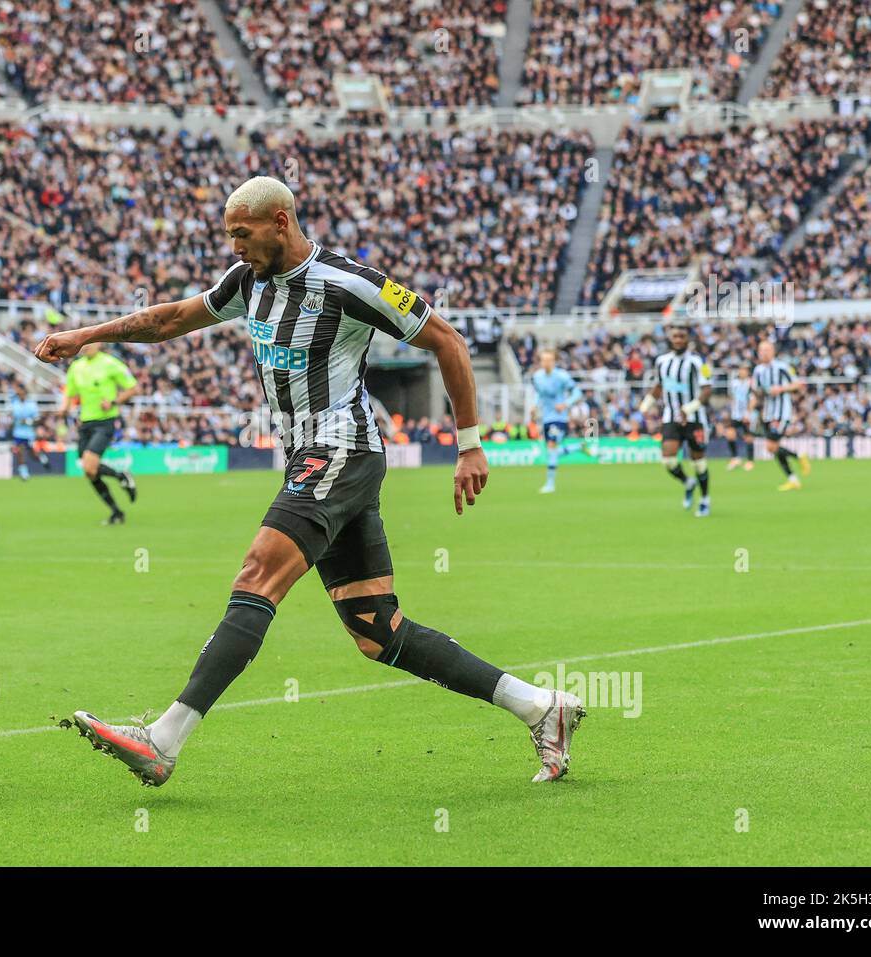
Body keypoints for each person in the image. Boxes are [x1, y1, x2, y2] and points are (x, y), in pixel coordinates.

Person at [33, 175, 585, 788]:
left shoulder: (349, 284)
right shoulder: (247, 283)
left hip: (340, 451)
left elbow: (447, 341)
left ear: (281, 222)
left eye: (243, 234)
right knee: (378, 632)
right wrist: (88, 335)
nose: (235, 246)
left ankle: (163, 739)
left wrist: (471, 444)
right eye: (228, 236)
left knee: (257, 573)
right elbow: (171, 320)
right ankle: (541, 707)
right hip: (309, 457)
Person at [61, 341, 138, 524]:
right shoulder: (76, 366)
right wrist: (64, 408)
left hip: (105, 422)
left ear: (99, 343)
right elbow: (69, 393)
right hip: (85, 423)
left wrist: (113, 402)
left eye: (90, 343)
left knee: (89, 465)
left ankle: (122, 476)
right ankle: (116, 511)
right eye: (83, 343)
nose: (85, 346)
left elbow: (133, 388)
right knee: (89, 472)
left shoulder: (110, 363)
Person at [639, 324, 713, 517]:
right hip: (671, 417)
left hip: (694, 419)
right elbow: (659, 386)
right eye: (675, 337)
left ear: (688, 339)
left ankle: (705, 499)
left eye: (682, 336)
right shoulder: (662, 361)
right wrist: (647, 403)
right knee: (669, 460)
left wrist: (690, 408)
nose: (678, 340)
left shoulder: (699, 362)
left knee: (698, 463)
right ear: (670, 339)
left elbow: (707, 389)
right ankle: (688, 483)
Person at [529, 348, 593, 493]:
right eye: (543, 360)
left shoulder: (562, 376)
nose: (546, 363)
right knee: (552, 451)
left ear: (554, 361)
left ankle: (550, 485)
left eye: (549, 360)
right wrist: (534, 406)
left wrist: (566, 404)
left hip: (559, 418)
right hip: (546, 418)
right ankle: (578, 447)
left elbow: (577, 392)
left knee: (551, 447)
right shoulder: (537, 377)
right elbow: (539, 394)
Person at [751, 340, 811, 491]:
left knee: (771, 446)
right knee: (773, 448)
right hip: (767, 413)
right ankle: (794, 476)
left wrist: (781, 388)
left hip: (781, 413)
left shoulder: (782, 367)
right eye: (761, 350)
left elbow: (798, 384)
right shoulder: (758, 370)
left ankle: (797, 463)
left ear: (773, 352)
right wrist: (752, 403)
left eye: (766, 350)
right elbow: (756, 391)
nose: (763, 353)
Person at [8, 380, 49, 481]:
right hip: (18, 433)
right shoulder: (14, 404)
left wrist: (27, 421)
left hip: (28, 433)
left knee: (32, 454)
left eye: (21, 392)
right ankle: (24, 472)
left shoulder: (31, 405)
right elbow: (12, 417)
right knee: (20, 451)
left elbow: (37, 420)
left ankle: (41, 457)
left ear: (25, 393)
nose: (20, 395)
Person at [723, 365, 755, 471]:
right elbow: (732, 397)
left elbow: (753, 399)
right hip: (735, 414)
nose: (742, 372)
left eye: (744, 370)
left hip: (746, 415)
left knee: (748, 437)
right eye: (741, 370)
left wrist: (748, 413)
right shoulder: (734, 383)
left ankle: (750, 461)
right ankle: (735, 458)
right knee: (730, 434)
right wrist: (729, 411)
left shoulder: (751, 383)